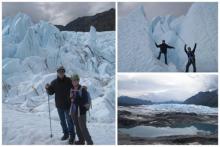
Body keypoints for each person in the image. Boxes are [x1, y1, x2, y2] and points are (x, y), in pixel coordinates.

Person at [45, 66, 75, 144]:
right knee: (62, 121)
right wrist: (47, 88)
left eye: (62, 72)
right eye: (59, 72)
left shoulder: (69, 80)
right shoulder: (54, 82)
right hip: (59, 106)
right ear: (57, 73)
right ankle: (66, 134)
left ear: (64, 72)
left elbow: (75, 87)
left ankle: (72, 136)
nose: (61, 73)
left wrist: (82, 88)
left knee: (69, 121)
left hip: (68, 105)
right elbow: (51, 92)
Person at [69, 74, 93, 145]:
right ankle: (81, 141)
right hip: (74, 111)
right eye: (73, 80)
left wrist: (74, 99)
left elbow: (84, 101)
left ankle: (90, 143)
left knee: (83, 128)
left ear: (78, 81)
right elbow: (72, 100)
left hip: (81, 112)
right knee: (77, 127)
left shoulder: (83, 90)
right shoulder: (72, 89)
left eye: (76, 80)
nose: (74, 82)